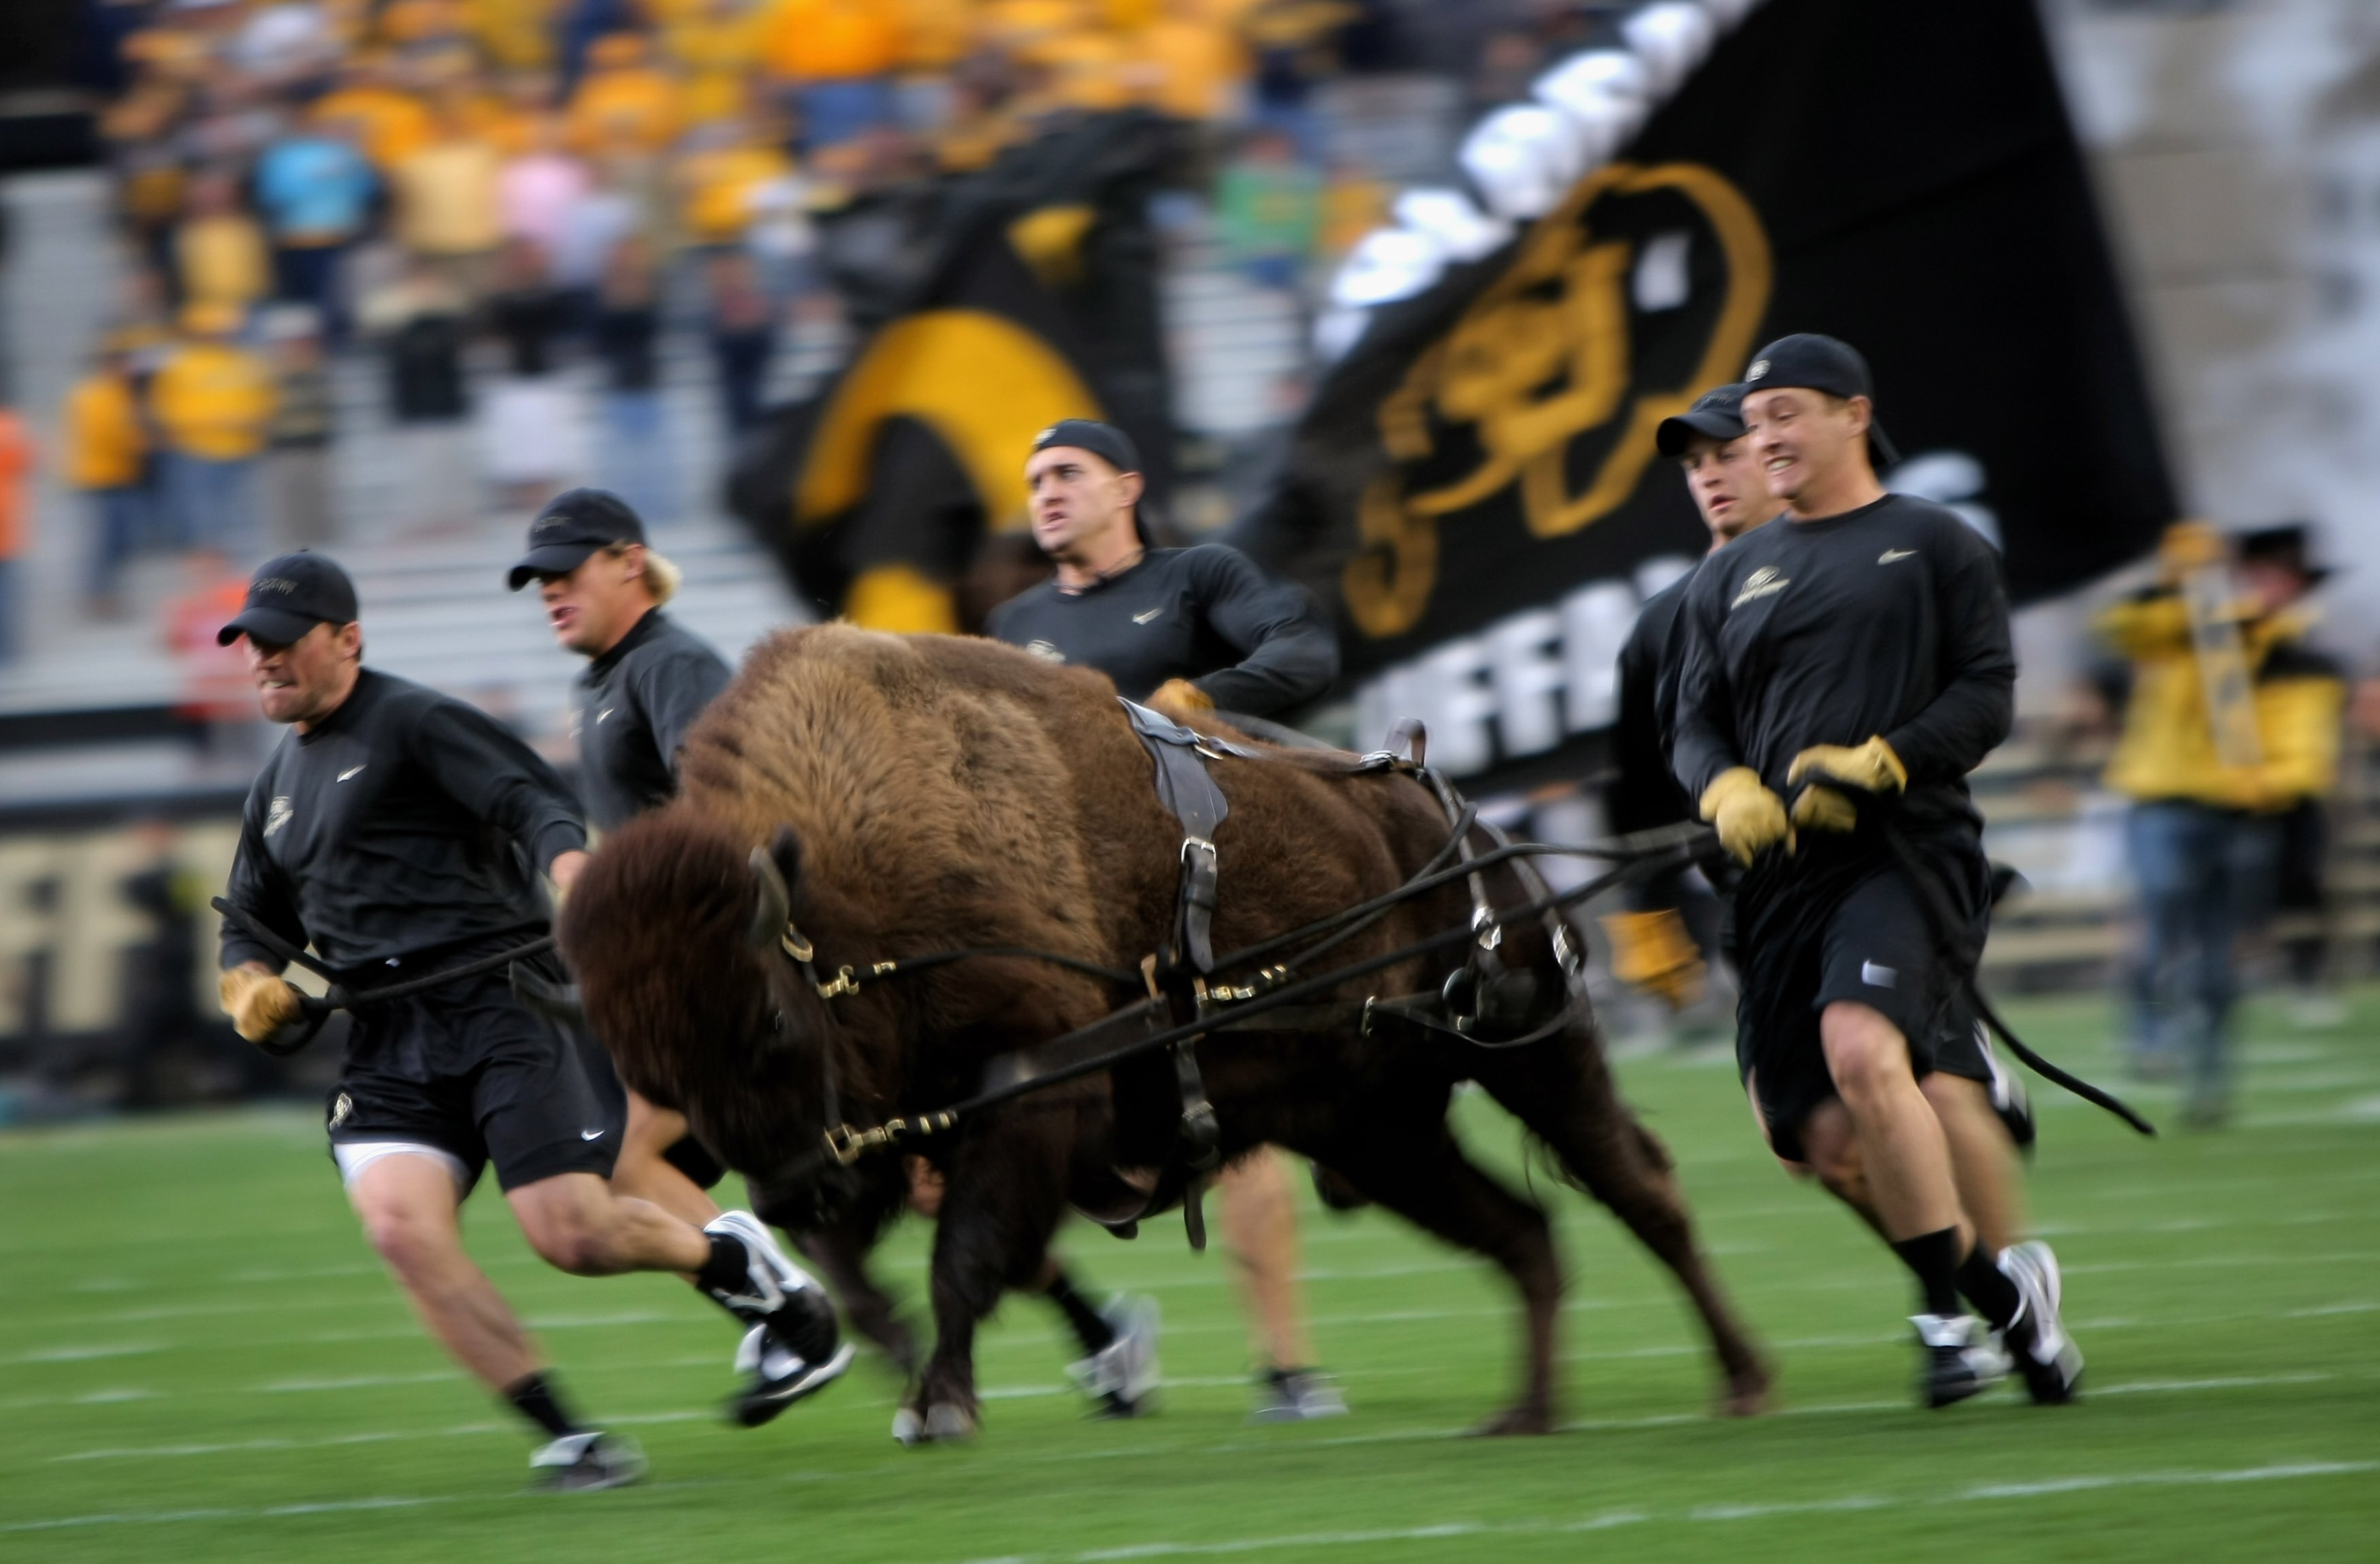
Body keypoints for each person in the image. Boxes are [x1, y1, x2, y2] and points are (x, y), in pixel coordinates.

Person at [214, 551, 845, 1489]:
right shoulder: (273, 787)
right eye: (250, 645)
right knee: (399, 1229)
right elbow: (245, 925)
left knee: (571, 1236)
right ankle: (568, 1436)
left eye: (281, 642)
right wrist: (248, 989)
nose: (262, 660)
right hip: (388, 1044)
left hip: (501, 1004)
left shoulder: (414, 720)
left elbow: (533, 802)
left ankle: (732, 1260)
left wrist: (569, 875)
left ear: (346, 639)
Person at [1670, 335, 2080, 1409]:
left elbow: (1988, 693)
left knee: (1865, 1049)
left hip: (1906, 855)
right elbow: (1693, 725)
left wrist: (1888, 760)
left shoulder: (1936, 543)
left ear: (1855, 415)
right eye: (1755, 423)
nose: (1765, 439)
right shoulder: (1724, 577)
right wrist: (1725, 791)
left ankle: (1952, 1318)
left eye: (1787, 414)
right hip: (1773, 888)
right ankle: (2001, 1298)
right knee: (1810, 1140)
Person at [986, 418, 1346, 1423]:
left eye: (1067, 473)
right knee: (1003, 1134)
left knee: (1242, 1131)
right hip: (1076, 915)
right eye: (1034, 479)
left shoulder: (1198, 579)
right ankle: (1103, 1334)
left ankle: (1288, 1370)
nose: (1046, 492)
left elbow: (1303, 647)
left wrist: (1201, 697)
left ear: (1127, 487)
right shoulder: (1011, 628)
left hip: (1209, 894)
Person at [509, 488, 857, 1423]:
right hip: (659, 977)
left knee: (626, 1161)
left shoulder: (671, 666)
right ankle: (787, 1315)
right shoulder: (606, 680)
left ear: (629, 562)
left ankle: (790, 1314)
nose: (548, 592)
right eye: (538, 580)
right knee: (630, 1168)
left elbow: (728, 818)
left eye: (566, 572)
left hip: (703, 976)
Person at [2100, 520, 2344, 1123]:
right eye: (2256, 575)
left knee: (2218, 954)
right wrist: (2176, 576)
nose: (2268, 589)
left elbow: (2306, 747)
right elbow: (2123, 627)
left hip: (2243, 813)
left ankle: (2208, 1078)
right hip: (2164, 796)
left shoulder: (2298, 657)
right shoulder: (2186, 629)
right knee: (2162, 904)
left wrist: (2267, 780)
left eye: (2282, 580)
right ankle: (2148, 1029)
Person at [1601, 384, 1769, 1021]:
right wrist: (1649, 914)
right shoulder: (1662, 620)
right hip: (1752, 900)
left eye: (1727, 454)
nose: (1709, 477)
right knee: (1799, 1117)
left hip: (1881, 878)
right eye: (1696, 465)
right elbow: (1643, 790)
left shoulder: (1863, 571)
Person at [150, 301, 277, 558]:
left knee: (243, 509)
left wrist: (251, 420)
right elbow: (164, 408)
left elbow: (266, 400)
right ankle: (209, 562)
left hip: (242, 447)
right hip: (197, 449)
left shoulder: (246, 362)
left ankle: (244, 558)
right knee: (202, 512)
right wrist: (213, 421)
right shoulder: (180, 365)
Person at [64, 339, 154, 616]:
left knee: (120, 541)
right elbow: (107, 434)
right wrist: (143, 441)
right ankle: (98, 596)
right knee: (105, 542)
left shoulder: (119, 394)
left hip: (120, 475)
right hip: (100, 477)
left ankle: (107, 594)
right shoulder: (93, 395)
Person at [0, 406, 31, 662]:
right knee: (8, 594)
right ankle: (8, 653)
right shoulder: (10, 426)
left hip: (8, 527)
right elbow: (27, 461)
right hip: (8, 526)